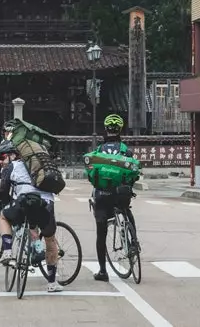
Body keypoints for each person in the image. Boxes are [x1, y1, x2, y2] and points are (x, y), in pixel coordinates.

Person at [0, 143, 63, 293]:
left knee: (4, 217)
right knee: (50, 240)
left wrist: (6, 205)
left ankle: (7, 251)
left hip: (24, 201)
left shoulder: (13, 166)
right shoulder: (44, 167)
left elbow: (3, 190)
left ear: (15, 154)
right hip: (46, 204)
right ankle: (52, 283)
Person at [90, 114, 135, 282]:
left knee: (101, 233)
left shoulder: (99, 151)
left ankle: (103, 271)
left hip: (102, 195)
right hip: (120, 194)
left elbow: (91, 172)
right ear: (120, 130)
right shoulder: (125, 150)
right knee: (127, 211)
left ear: (106, 130)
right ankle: (134, 242)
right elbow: (133, 171)